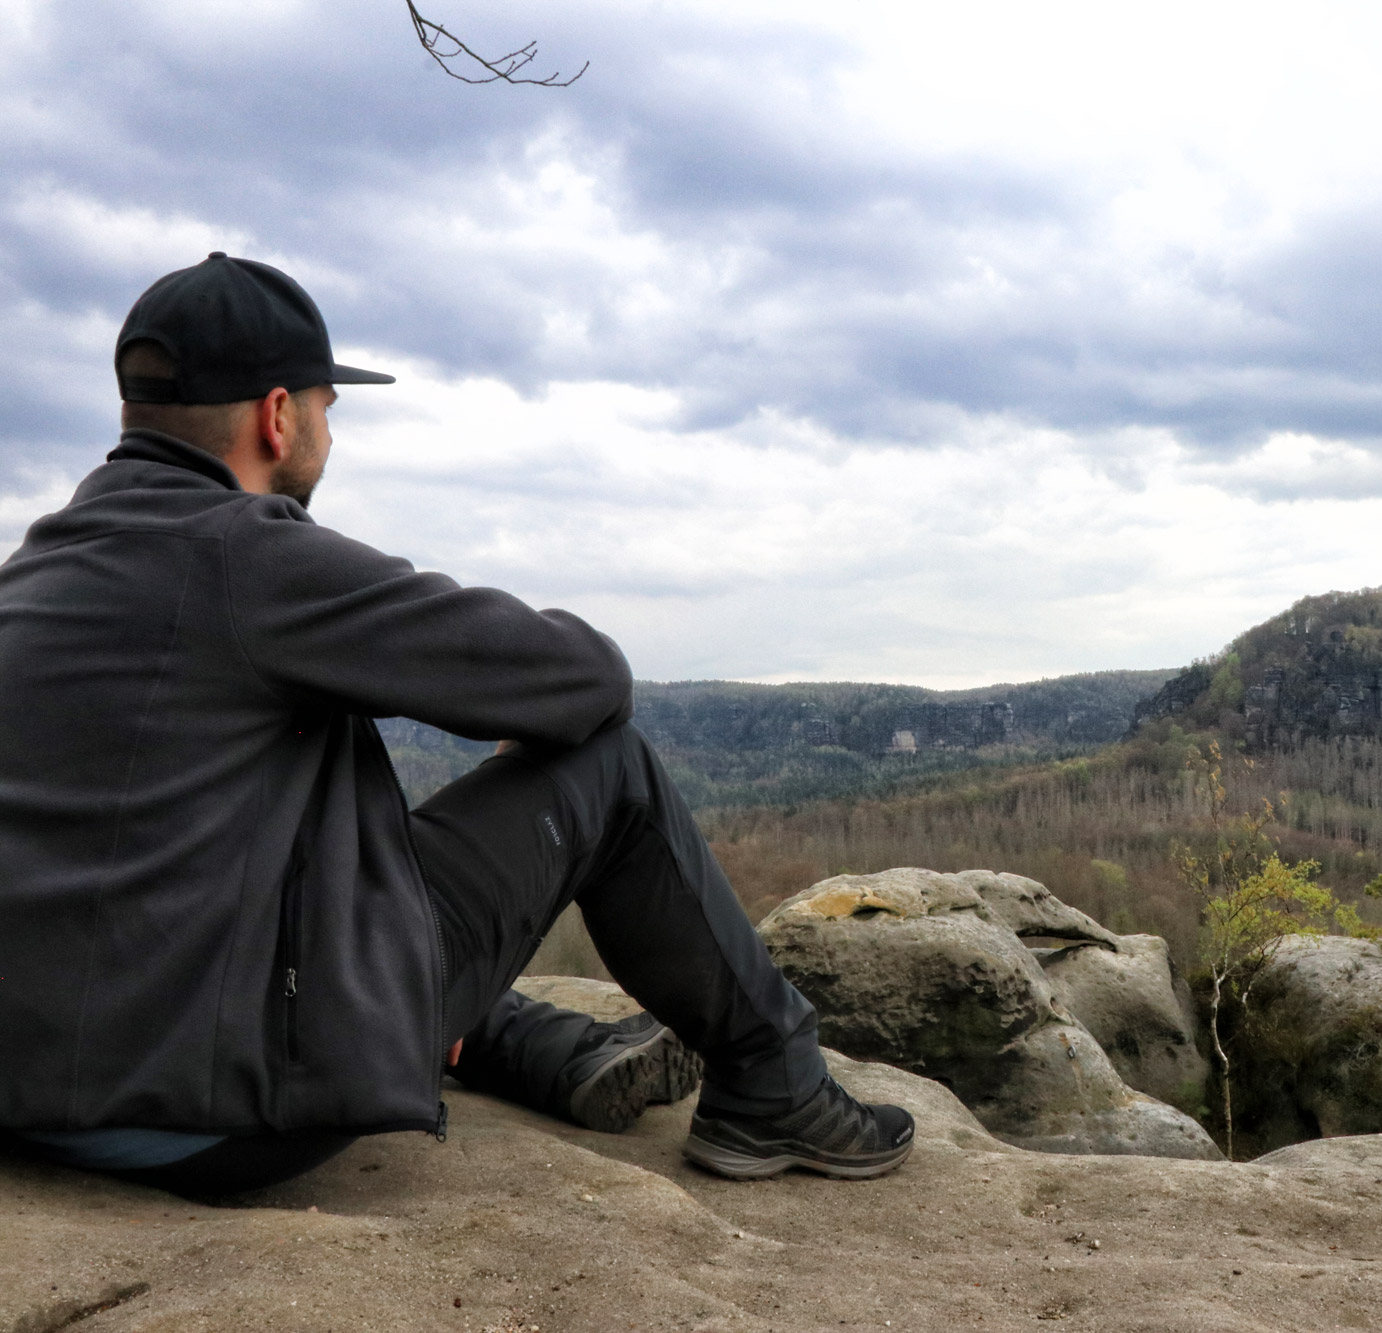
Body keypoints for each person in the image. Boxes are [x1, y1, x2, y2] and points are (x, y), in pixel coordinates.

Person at [0, 253, 912, 1196]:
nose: (324, 429)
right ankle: (777, 1085)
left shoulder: (35, 572)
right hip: (210, 1121)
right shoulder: (249, 557)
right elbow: (584, 675)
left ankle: (542, 1049)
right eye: (326, 407)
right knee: (612, 768)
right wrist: (540, 724)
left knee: (358, 871)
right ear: (279, 416)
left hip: (30, 1095)